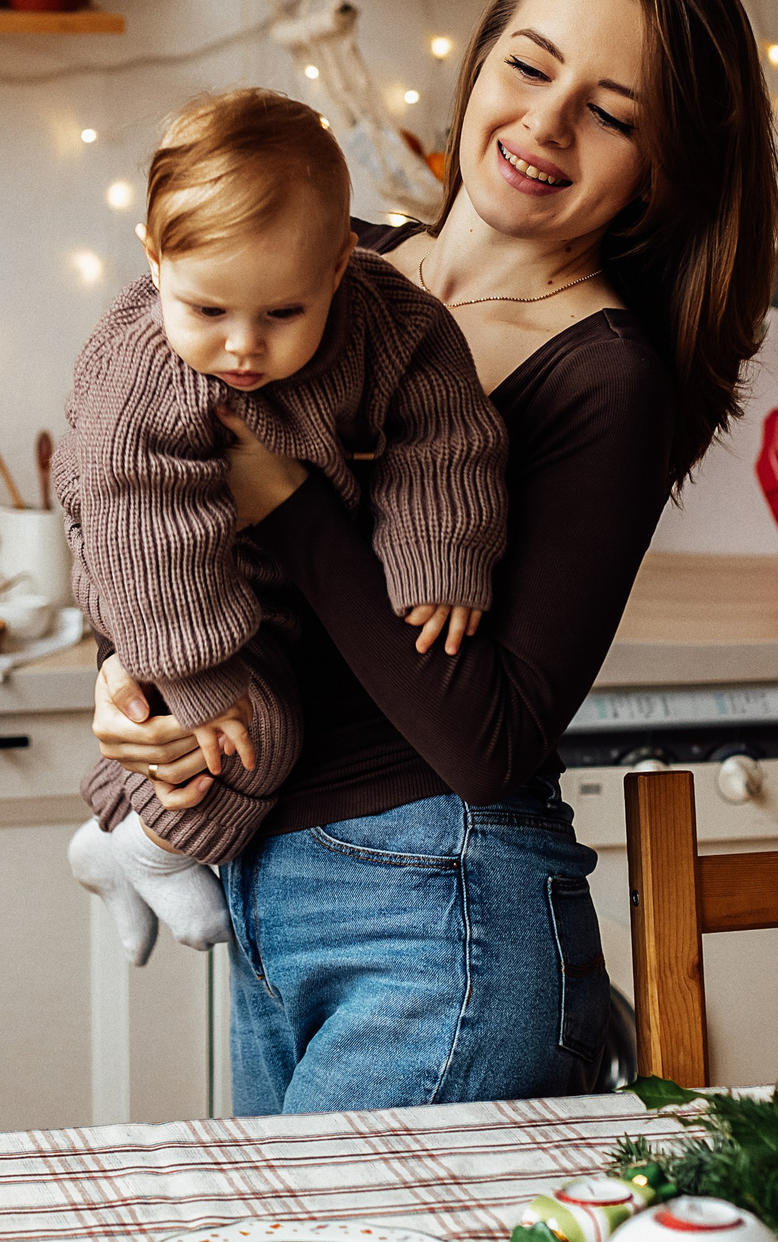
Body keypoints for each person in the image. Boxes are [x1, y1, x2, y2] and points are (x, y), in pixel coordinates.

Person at [90, 0, 778, 1113]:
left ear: (659, 170)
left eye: (612, 113)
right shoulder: (315, 267)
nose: (545, 123)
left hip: (441, 918)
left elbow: (488, 740)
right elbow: (142, 476)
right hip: (266, 890)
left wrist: (294, 502)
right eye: (529, 64)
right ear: (480, 62)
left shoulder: (603, 375)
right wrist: (127, 681)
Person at [59, 88, 511, 963]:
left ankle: (116, 844)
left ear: (340, 268)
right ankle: (140, 845)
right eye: (208, 311)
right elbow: (140, 530)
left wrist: (440, 554)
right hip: (147, 564)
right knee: (245, 731)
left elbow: (446, 433)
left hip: (274, 578)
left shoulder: (397, 323)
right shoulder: (146, 373)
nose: (241, 346)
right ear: (154, 261)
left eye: (281, 314)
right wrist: (191, 670)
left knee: (251, 725)